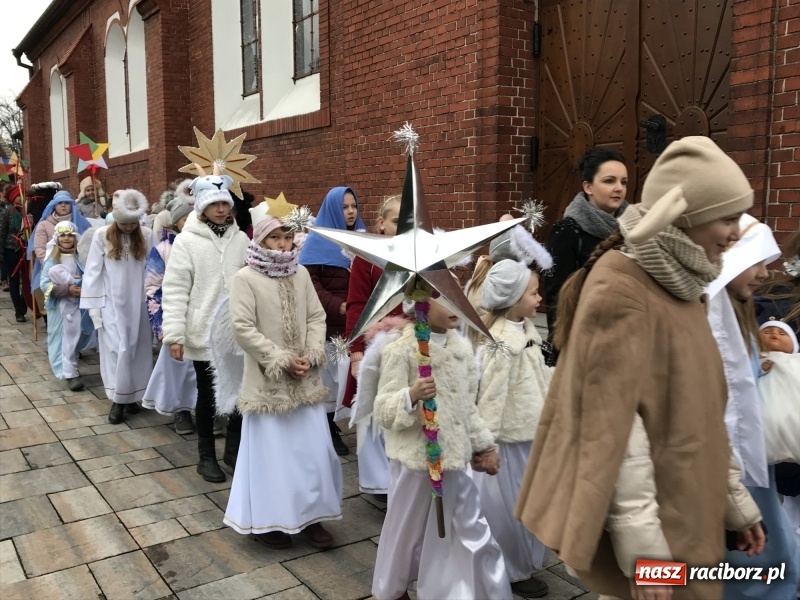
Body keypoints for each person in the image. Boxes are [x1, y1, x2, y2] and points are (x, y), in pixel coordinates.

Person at [515, 137, 766, 600]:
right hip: (659, 539)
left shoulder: (682, 283)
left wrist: (737, 507)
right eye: (729, 218)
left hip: (690, 517)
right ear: (688, 218)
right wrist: (646, 559)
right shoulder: (626, 289)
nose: (737, 233)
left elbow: (704, 415)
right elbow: (611, 431)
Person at [370, 296, 511, 600]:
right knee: (406, 529)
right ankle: (391, 588)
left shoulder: (462, 350)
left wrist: (483, 445)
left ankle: (480, 587)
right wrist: (411, 394)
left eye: (456, 299)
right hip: (417, 462)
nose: (454, 308)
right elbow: (382, 409)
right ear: (420, 305)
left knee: (469, 525)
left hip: (455, 460)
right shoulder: (401, 351)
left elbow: (466, 408)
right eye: (444, 301)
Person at [223, 216, 342, 549]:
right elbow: (243, 327)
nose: (282, 244)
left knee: (312, 452)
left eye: (286, 238)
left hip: (306, 380)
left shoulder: (301, 273)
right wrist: (280, 359)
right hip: (268, 382)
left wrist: (312, 351)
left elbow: (316, 316)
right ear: (260, 241)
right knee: (272, 455)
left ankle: (312, 517)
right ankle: (268, 521)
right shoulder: (245, 278)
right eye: (274, 238)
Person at [705, 215, 800, 599]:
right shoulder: (710, 318)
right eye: (757, 261)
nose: (765, 273)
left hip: (746, 462)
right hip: (725, 468)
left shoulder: (737, 314)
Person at [161, 170, 249, 483]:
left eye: (225, 203)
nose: (221, 209)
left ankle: (234, 450)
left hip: (238, 331)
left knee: (241, 393)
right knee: (208, 395)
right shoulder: (186, 242)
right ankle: (206, 455)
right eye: (214, 204)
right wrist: (174, 334)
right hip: (202, 333)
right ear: (201, 207)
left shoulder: (242, 239)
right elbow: (174, 289)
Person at [473, 258, 552, 598]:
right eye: (533, 293)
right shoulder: (502, 342)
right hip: (506, 442)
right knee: (507, 508)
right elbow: (490, 396)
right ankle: (513, 569)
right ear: (514, 297)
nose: (539, 300)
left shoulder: (526, 334)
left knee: (528, 501)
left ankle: (521, 562)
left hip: (529, 434)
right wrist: (486, 445)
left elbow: (535, 379)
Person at [342, 195, 402, 499]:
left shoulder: (422, 254)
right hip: (376, 345)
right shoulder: (367, 258)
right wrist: (356, 351)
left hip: (410, 344)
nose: (403, 226)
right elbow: (356, 305)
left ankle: (403, 473)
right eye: (396, 220)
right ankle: (379, 481)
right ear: (381, 223)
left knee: (403, 406)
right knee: (375, 410)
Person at [299, 186, 366, 456]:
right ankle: (328, 427)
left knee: (353, 377)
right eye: (344, 207)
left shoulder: (363, 239)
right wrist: (336, 305)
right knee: (328, 381)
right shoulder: (317, 241)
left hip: (357, 323)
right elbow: (310, 282)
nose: (350, 212)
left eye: (354, 206)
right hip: (330, 324)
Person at [542, 148, 628, 353]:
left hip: (626, 337)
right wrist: (562, 348)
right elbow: (557, 297)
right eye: (609, 181)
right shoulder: (567, 231)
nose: (619, 188)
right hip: (583, 342)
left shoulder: (634, 227)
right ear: (588, 187)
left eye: (623, 182)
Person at [80, 190, 154, 423]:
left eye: (133, 223)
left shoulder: (148, 235)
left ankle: (132, 395)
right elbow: (93, 271)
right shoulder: (102, 235)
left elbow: (154, 269)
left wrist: (155, 302)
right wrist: (95, 307)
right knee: (117, 351)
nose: (129, 228)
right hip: (111, 303)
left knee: (138, 351)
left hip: (140, 304)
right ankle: (118, 400)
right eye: (124, 224)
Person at [142, 200, 197, 434]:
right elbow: (153, 287)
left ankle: (205, 408)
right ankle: (180, 409)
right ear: (176, 223)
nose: (192, 222)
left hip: (204, 318)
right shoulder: (164, 250)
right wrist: (161, 324)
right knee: (177, 366)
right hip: (175, 317)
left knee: (203, 369)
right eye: (186, 219)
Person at [40, 222, 92, 391]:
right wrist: (67, 289)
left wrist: (83, 287)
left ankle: (72, 365)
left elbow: (89, 275)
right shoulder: (52, 260)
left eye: (70, 235)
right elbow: (44, 284)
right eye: (63, 235)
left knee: (77, 337)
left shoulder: (80, 257)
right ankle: (70, 374)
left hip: (80, 304)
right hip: (61, 306)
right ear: (57, 238)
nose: (67, 238)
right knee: (64, 339)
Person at [0, 186, 29, 322]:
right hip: (10, 249)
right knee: (14, 280)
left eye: (23, 194)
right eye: (19, 195)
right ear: (12, 198)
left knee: (26, 279)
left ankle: (24, 304)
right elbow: (1, 233)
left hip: (25, 250)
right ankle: (18, 311)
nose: (21, 198)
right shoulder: (7, 213)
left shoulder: (27, 212)